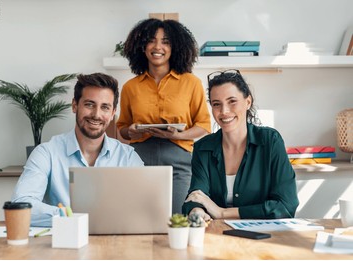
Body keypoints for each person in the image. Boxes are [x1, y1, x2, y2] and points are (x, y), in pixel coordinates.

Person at [12, 73, 144, 227]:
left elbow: (143, 207)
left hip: (113, 243)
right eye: (89, 104)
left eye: (105, 107)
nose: (96, 114)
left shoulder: (128, 157)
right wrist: (71, 217)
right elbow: (21, 205)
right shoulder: (46, 153)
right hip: (63, 243)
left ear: (113, 112)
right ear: (75, 105)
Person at [116, 18, 211, 214]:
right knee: (139, 219)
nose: (158, 46)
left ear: (175, 47)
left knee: (176, 219)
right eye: (152, 40)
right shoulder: (130, 87)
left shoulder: (191, 83)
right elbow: (122, 129)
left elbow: (203, 125)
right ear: (142, 46)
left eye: (166, 41)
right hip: (139, 161)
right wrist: (131, 131)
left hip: (179, 163)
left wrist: (175, 135)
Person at [182, 69, 299, 221]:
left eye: (232, 101)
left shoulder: (270, 141)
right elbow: (197, 196)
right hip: (216, 233)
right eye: (217, 104)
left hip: (263, 235)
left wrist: (222, 213)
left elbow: (286, 206)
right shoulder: (203, 148)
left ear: (248, 102)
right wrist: (197, 211)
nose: (224, 111)